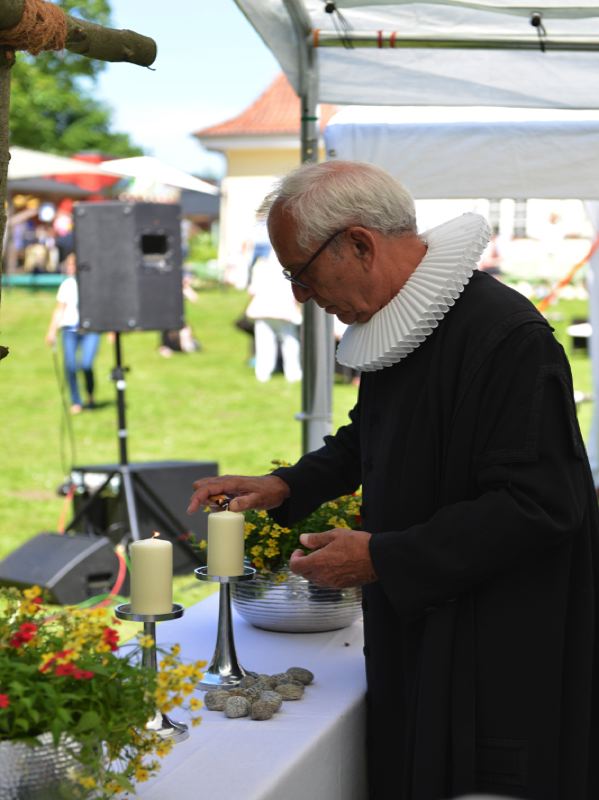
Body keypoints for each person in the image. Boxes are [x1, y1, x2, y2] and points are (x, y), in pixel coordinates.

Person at [187, 161, 599, 800]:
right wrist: (288, 486)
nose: (298, 293)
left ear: (358, 243)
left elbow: (542, 504)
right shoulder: (405, 322)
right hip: (427, 625)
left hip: (495, 645)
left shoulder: (506, 337)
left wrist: (383, 557)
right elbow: (373, 435)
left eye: (300, 271)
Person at [45, 252, 101, 414]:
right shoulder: (67, 285)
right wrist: (51, 331)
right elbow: (59, 309)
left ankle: (90, 394)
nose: (70, 269)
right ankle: (76, 400)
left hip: (90, 330)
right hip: (70, 330)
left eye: (72, 265)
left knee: (86, 364)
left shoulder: (92, 284)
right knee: (70, 365)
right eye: (68, 265)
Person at [245, 248, 302, 383]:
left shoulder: (261, 266)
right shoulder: (290, 267)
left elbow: (252, 290)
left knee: (264, 342)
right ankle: (293, 373)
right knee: (289, 342)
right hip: (284, 309)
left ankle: (263, 372)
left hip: (263, 308)